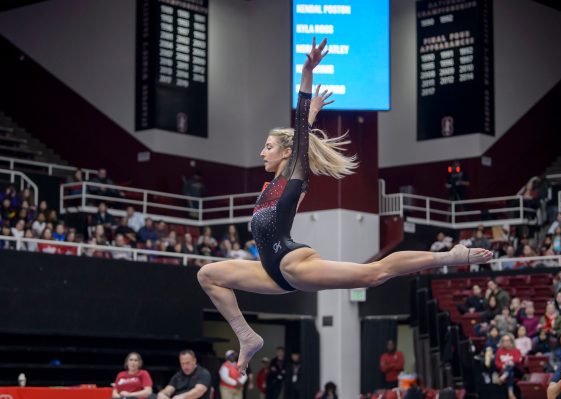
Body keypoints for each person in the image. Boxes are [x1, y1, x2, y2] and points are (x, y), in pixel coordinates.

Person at [195, 37, 494, 373]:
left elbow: (298, 136)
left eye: (267, 147)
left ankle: (449, 256)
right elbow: (298, 134)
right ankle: (247, 337)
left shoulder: (295, 174)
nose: (261, 152)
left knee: (373, 274)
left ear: (283, 152)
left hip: (293, 263)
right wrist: (310, 116)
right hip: (269, 270)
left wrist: (307, 74)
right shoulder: (269, 185)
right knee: (208, 275)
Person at [495, 334, 522, 399]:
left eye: (507, 340)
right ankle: (511, 394)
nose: (505, 342)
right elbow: (497, 362)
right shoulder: (499, 351)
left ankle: (504, 376)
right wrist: (503, 365)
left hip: (516, 370)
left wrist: (509, 362)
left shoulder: (516, 350)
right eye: (504, 340)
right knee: (510, 374)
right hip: (504, 370)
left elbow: (518, 359)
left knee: (510, 365)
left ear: (511, 342)